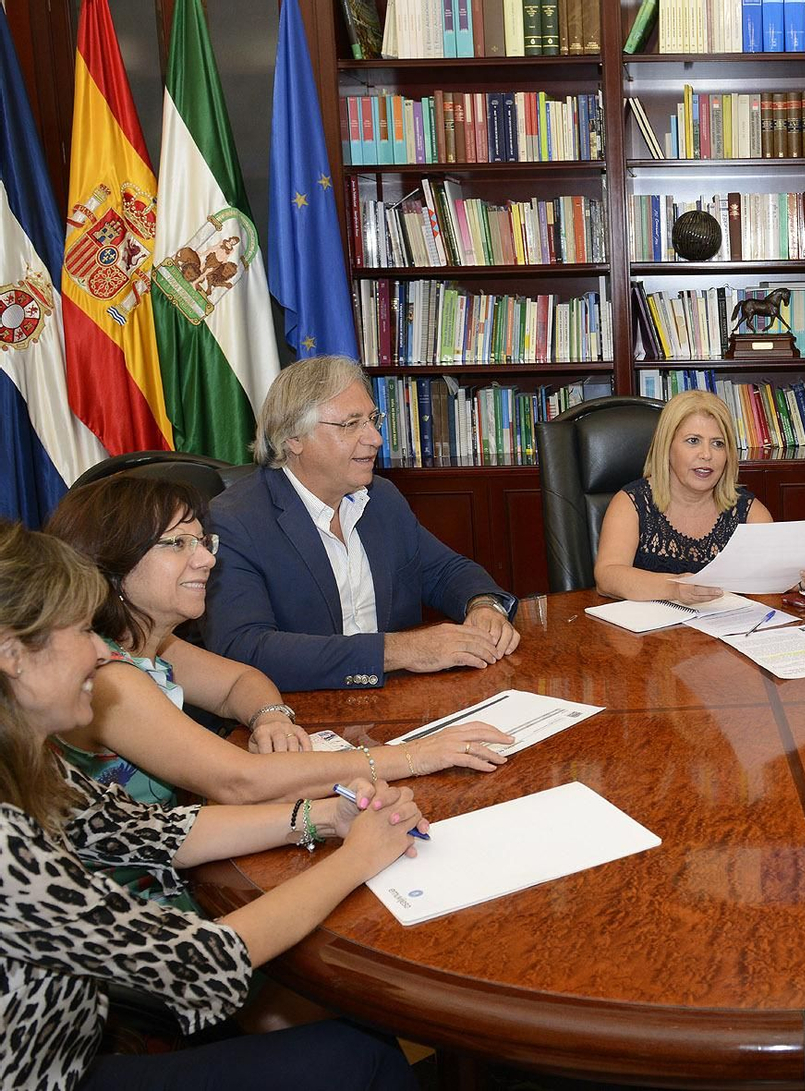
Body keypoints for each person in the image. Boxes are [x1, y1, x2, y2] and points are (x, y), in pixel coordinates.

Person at [0, 519, 424, 1090]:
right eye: (81, 631)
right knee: (357, 1054)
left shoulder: (26, 759)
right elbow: (199, 961)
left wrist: (326, 817)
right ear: (13, 655)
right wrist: (357, 859)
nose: (103, 654)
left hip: (74, 1047)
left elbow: (147, 831)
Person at [43, 475, 510, 849]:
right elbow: (241, 781)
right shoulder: (108, 677)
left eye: (201, 541)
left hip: (186, 843)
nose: (205, 559)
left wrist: (268, 714)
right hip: (139, 898)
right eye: (177, 544)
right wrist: (417, 755)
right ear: (111, 565)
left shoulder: (148, 643)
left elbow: (238, 682)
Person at [203, 356, 521, 690]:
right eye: (351, 424)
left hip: (397, 699)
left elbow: (445, 571)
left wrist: (483, 605)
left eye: (372, 420)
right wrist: (397, 651)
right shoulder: (235, 520)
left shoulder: (380, 498)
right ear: (294, 436)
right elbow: (245, 649)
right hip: (296, 715)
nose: (375, 439)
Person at [593, 389, 805, 603]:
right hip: (648, 646)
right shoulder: (632, 503)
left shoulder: (748, 511)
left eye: (718, 444)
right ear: (666, 448)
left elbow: (774, 580)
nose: (706, 454)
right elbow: (607, 576)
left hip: (725, 645)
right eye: (693, 441)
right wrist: (673, 588)